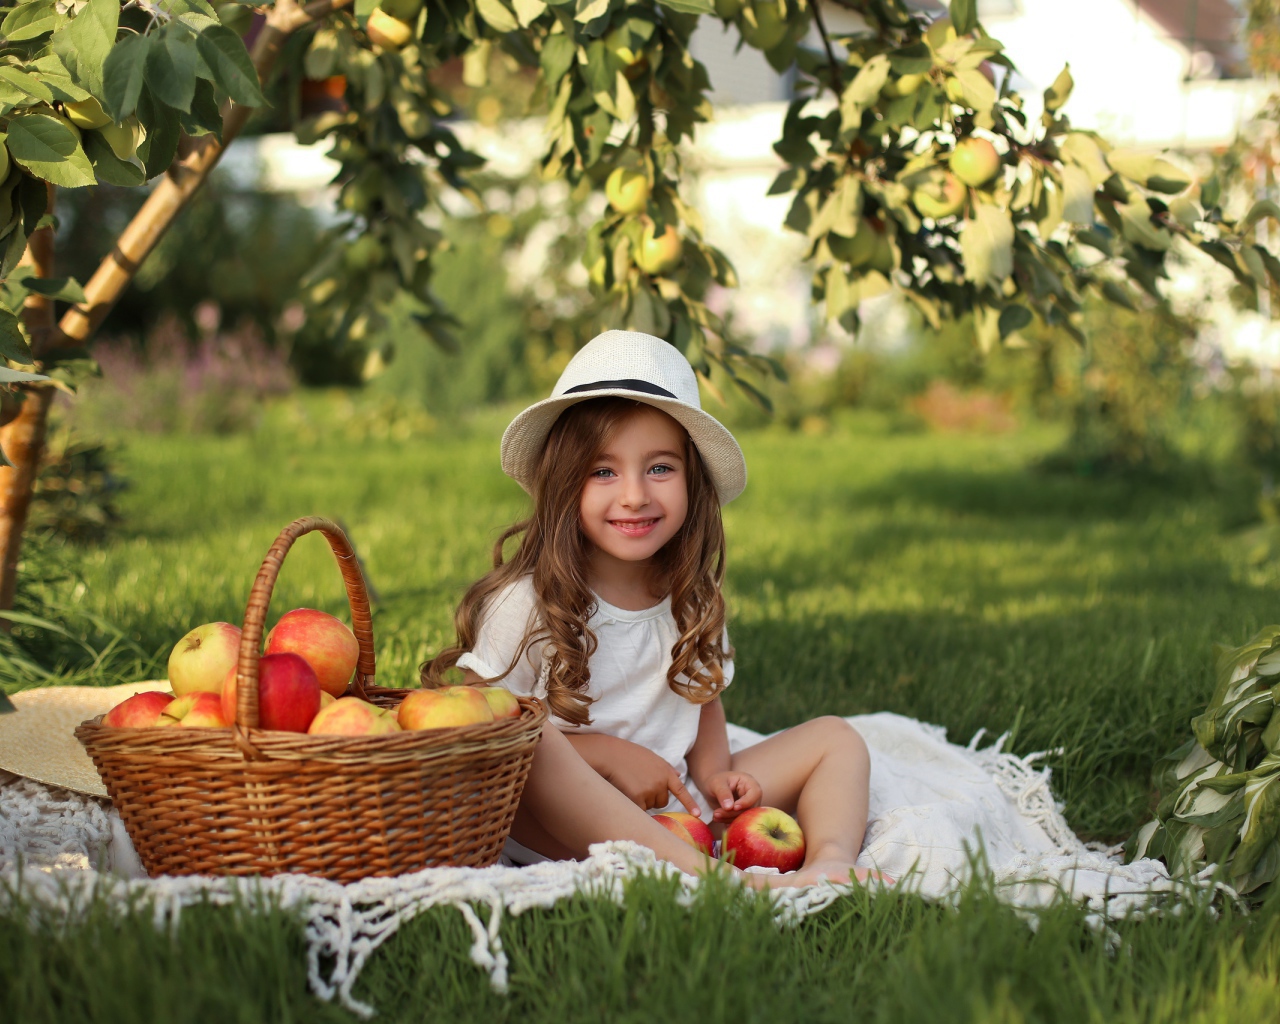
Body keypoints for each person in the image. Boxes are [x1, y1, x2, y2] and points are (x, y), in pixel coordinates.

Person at [423, 330, 876, 888]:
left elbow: (702, 698)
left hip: (675, 805)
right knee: (530, 733)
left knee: (838, 739)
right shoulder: (527, 602)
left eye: (660, 468)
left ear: (693, 482)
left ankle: (830, 861)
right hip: (558, 826)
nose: (635, 494)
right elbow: (474, 719)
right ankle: (722, 881)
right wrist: (609, 755)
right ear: (566, 485)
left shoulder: (692, 596)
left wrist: (716, 776)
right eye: (603, 471)